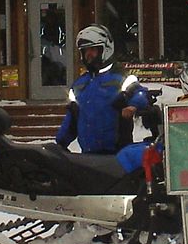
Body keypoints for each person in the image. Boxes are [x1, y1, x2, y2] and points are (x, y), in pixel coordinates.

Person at [54, 24, 151, 154]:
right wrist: (60, 144)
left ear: (105, 50)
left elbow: (141, 93)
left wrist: (133, 106)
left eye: (93, 50)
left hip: (117, 155)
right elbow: (71, 119)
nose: (89, 54)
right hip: (89, 157)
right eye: (85, 51)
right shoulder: (79, 85)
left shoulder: (121, 77)